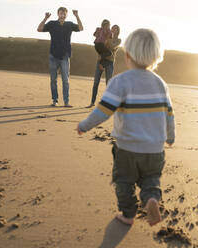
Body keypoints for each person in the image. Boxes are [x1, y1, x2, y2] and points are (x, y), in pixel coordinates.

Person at [77, 28, 175, 226]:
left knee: (124, 182)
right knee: (150, 179)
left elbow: (103, 111)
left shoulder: (120, 81)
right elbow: (169, 114)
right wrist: (170, 137)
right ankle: (151, 199)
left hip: (127, 149)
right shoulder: (160, 84)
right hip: (155, 150)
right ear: (157, 56)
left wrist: (85, 125)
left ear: (127, 55)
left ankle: (128, 214)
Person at [37, 7, 83, 107]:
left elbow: (81, 28)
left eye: (64, 13)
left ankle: (66, 102)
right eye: (61, 13)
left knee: (65, 80)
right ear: (58, 14)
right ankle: (55, 100)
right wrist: (45, 18)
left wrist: (77, 16)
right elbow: (39, 29)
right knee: (53, 80)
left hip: (65, 56)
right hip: (53, 55)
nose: (62, 14)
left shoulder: (69, 24)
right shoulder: (52, 24)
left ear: (66, 15)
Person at [88, 25, 121, 108]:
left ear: (118, 31)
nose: (114, 30)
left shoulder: (118, 40)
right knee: (96, 82)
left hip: (110, 62)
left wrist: (106, 40)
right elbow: (99, 45)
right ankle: (92, 102)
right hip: (100, 61)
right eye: (112, 28)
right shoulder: (104, 36)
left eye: (116, 29)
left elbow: (113, 47)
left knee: (108, 83)